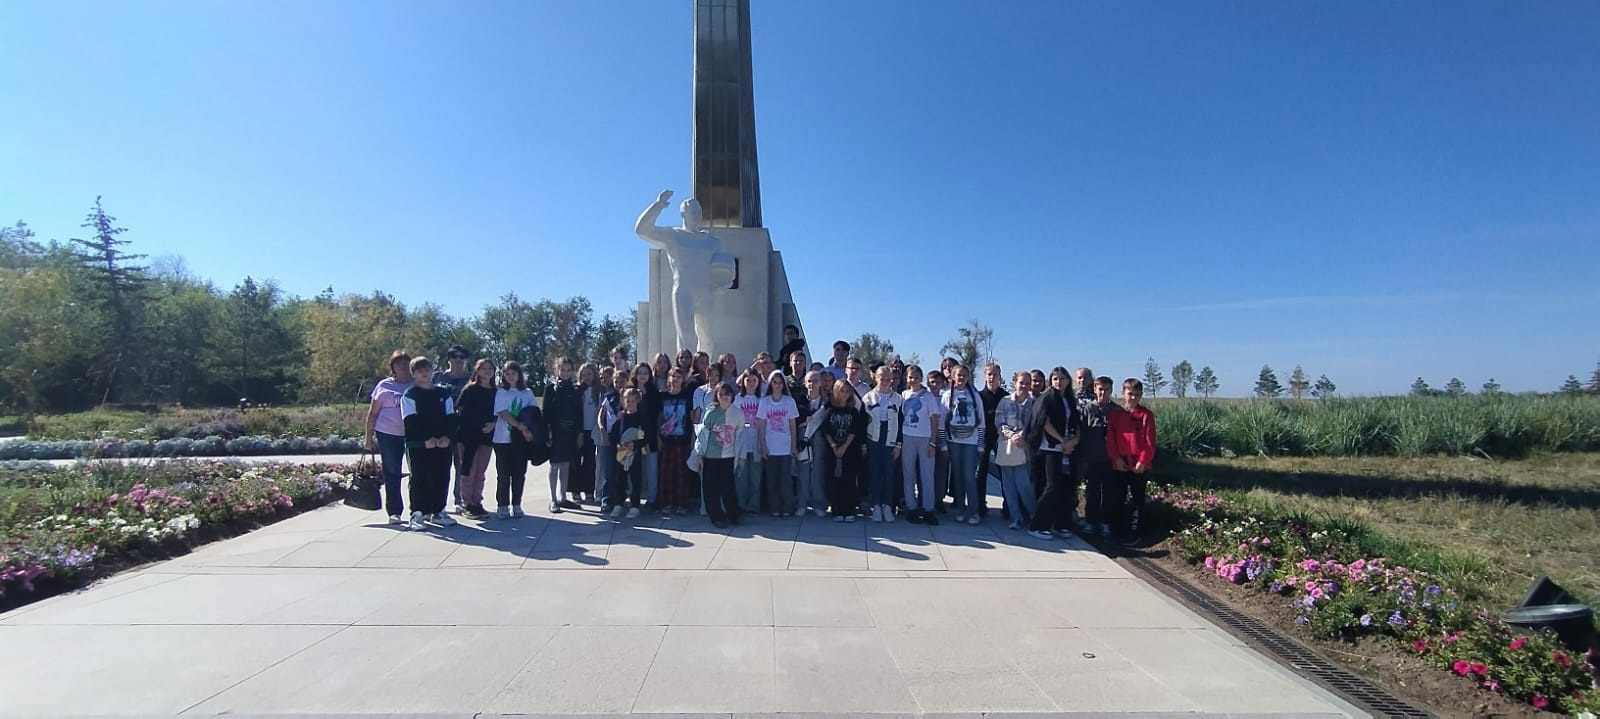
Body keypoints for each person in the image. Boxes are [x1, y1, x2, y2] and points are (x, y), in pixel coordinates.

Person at [400, 356, 457, 531]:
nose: (424, 373)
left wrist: (447, 437)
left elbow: (451, 418)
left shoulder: (443, 393)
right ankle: (418, 514)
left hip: (442, 444)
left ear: (433, 371)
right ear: (414, 374)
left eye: (427, 369)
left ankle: (438, 511)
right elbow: (410, 421)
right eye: (419, 370)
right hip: (418, 445)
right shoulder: (410, 395)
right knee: (419, 478)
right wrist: (426, 440)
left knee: (441, 475)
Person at [1028, 367, 1081, 539]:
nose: (1059, 382)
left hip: (1066, 450)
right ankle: (1037, 525)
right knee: (1051, 486)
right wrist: (1061, 441)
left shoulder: (1069, 400)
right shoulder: (1047, 398)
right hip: (1049, 448)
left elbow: (1076, 425)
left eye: (1062, 378)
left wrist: (1073, 442)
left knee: (1065, 487)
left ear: (1068, 380)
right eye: (1055, 378)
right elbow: (1045, 423)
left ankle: (1061, 524)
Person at [364, 351, 413, 524]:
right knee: (392, 472)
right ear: (393, 367)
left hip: (413, 434)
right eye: (398, 363)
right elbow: (373, 413)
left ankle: (418, 509)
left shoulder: (416, 385)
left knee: (417, 472)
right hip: (388, 434)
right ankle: (394, 511)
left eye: (406, 363)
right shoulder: (384, 386)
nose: (402, 366)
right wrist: (368, 438)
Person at [1107, 377, 1157, 540]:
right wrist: (1116, 459)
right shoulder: (1116, 415)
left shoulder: (1146, 415)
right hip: (1120, 463)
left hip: (1138, 465)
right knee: (1117, 498)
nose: (1133, 397)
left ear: (1141, 395)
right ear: (1123, 394)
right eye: (1130, 394)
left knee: (1137, 500)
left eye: (1137, 394)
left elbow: (1150, 441)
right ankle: (1117, 530)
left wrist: (1143, 461)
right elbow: (1111, 439)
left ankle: (1136, 533)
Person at [942, 364, 986, 525]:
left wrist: (981, 444)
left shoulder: (974, 396)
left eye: (964, 375)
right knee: (958, 476)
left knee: (969, 476)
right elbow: (942, 421)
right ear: (953, 377)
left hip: (971, 441)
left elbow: (981, 422)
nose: (961, 378)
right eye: (958, 375)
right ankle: (960, 508)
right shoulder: (947, 395)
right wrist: (943, 443)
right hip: (953, 441)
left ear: (968, 378)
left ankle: (973, 510)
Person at [898, 365, 942, 525]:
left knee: (927, 475)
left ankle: (928, 509)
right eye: (910, 377)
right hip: (907, 437)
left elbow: (935, 419)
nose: (913, 380)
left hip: (925, 438)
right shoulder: (904, 394)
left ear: (921, 378)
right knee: (908, 474)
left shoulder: (928, 397)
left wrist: (933, 441)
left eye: (916, 377)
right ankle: (911, 508)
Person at [493, 361, 537, 518]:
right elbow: (503, 413)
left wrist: (528, 429)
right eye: (507, 373)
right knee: (503, 475)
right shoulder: (501, 392)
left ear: (519, 375)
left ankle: (517, 504)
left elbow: (533, 413)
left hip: (521, 440)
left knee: (519, 474)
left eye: (513, 373)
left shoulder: (527, 393)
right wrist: (519, 426)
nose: (510, 376)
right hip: (502, 439)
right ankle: (502, 505)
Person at [454, 359, 498, 519]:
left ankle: (477, 501)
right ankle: (467, 503)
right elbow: (459, 411)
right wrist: (477, 424)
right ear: (477, 371)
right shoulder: (470, 389)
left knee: (481, 471)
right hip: (468, 436)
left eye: (490, 368)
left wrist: (492, 425)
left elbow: (499, 413)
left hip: (486, 436)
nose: (487, 371)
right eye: (483, 368)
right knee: (468, 470)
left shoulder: (496, 391)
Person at [433, 345, 474, 513]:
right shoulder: (437, 377)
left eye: (462, 357)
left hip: (463, 427)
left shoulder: (471, 378)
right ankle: (436, 503)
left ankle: (460, 499)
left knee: (462, 465)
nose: (458, 360)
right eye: (455, 356)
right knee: (439, 467)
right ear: (449, 358)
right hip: (440, 427)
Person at [1074, 369, 1114, 537]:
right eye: (1100, 389)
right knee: (1092, 492)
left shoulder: (1116, 411)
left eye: (1106, 389)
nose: (1102, 392)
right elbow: (1080, 432)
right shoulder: (1088, 409)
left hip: (1111, 458)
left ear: (1111, 391)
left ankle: (1106, 523)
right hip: (1091, 457)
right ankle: (1091, 521)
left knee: (1109, 493)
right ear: (1095, 389)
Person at [862, 365, 904, 523]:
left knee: (889, 473)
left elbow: (901, 422)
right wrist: (864, 444)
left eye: (888, 379)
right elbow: (863, 422)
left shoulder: (898, 398)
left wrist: (898, 445)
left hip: (891, 439)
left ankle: (887, 505)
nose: (885, 381)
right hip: (873, 439)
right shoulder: (868, 398)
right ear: (875, 378)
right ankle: (876, 506)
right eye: (882, 378)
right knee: (875, 473)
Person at [995, 371, 1036, 530]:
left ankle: (1033, 515)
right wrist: (1011, 435)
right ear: (1015, 383)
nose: (1024, 386)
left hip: (1024, 449)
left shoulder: (1034, 403)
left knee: (1024, 485)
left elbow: (1034, 423)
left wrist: (1022, 435)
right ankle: (1016, 517)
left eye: (1027, 383)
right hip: (1007, 447)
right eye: (1021, 382)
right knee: (1008, 486)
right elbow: (999, 422)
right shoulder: (1005, 402)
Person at [820, 379, 864, 522]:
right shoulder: (829, 408)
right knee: (834, 480)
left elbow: (854, 430)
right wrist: (834, 446)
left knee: (849, 480)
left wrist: (844, 447)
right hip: (832, 451)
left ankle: (849, 510)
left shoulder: (853, 411)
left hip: (850, 451)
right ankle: (837, 509)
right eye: (841, 390)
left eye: (847, 391)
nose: (844, 394)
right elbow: (825, 429)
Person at [698, 383, 741, 528]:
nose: (724, 397)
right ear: (716, 396)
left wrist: (738, 456)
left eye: (727, 394)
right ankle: (716, 516)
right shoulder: (711, 412)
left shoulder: (737, 413)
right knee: (711, 489)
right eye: (721, 394)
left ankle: (733, 514)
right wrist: (700, 455)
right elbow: (702, 435)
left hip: (728, 456)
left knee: (728, 487)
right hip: (710, 457)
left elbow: (740, 435)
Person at [543, 357, 583, 514]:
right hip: (555, 432)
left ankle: (562, 497)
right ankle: (553, 499)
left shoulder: (574, 390)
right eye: (562, 369)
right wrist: (548, 433)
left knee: (566, 465)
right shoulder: (550, 388)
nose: (565, 373)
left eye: (568, 370)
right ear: (556, 370)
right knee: (554, 466)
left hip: (570, 432)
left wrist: (579, 433)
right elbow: (545, 413)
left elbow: (578, 413)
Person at [757, 369, 799, 517]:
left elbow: (793, 426)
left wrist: (793, 446)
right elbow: (761, 426)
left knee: (785, 480)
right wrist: (763, 446)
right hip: (770, 447)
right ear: (770, 383)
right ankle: (774, 508)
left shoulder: (789, 402)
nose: (777, 385)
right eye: (774, 382)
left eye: (780, 382)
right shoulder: (764, 401)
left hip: (785, 447)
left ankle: (787, 507)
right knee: (771, 480)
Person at [656, 367, 695, 515]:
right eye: (673, 376)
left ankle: (682, 503)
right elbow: (658, 418)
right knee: (666, 472)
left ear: (683, 379)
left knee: (682, 473)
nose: (676, 379)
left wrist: (692, 439)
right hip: (667, 439)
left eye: (679, 376)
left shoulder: (687, 396)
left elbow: (691, 419)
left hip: (683, 439)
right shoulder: (662, 396)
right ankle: (667, 502)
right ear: (668, 378)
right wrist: (658, 437)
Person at [610, 388, 649, 518]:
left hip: (635, 454)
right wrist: (619, 443)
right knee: (619, 479)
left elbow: (645, 436)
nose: (630, 403)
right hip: (621, 453)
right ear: (623, 401)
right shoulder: (620, 417)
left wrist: (635, 445)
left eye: (633, 401)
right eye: (627, 401)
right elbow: (614, 434)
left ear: (638, 401)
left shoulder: (642, 417)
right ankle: (618, 504)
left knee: (635, 479)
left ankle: (635, 505)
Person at [795, 369, 829, 517]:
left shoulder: (827, 402)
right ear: (805, 382)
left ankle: (819, 504)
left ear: (820, 383)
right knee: (803, 470)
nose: (812, 384)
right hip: (803, 439)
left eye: (815, 381)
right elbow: (794, 420)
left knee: (818, 471)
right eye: (809, 381)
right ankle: (802, 504)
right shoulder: (799, 401)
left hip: (820, 439)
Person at [732, 369, 765, 513]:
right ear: (743, 382)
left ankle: (754, 506)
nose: (751, 383)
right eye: (748, 380)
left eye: (754, 380)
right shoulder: (738, 399)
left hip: (757, 442)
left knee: (756, 477)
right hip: (741, 443)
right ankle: (740, 504)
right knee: (741, 477)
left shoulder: (762, 399)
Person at [977, 363, 1008, 520]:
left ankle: (1008, 506)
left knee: (1005, 473)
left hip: (1002, 439)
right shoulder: (979, 396)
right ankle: (980, 505)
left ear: (1000, 376)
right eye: (989, 374)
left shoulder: (1006, 397)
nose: (992, 377)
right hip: (984, 437)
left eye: (995, 374)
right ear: (985, 376)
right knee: (980, 472)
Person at [632, 363, 663, 510]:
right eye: (640, 373)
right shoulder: (630, 392)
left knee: (651, 468)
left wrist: (657, 434)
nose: (643, 376)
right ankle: (634, 498)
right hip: (633, 436)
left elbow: (657, 416)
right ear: (635, 375)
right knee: (635, 468)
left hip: (650, 435)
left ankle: (652, 499)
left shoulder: (654, 393)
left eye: (646, 373)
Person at [594, 367, 622, 515]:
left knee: (620, 471)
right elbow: (600, 415)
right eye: (616, 381)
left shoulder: (628, 395)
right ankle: (606, 500)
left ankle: (619, 499)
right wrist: (602, 430)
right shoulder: (608, 396)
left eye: (621, 381)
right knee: (608, 470)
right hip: (608, 437)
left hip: (623, 438)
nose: (618, 383)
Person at [574, 363, 602, 505]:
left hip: (594, 431)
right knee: (577, 462)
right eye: (584, 375)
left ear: (594, 375)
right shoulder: (577, 391)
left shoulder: (599, 390)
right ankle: (576, 491)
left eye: (589, 374)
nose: (587, 377)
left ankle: (589, 491)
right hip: (580, 431)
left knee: (590, 463)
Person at [926, 369, 951, 514]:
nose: (935, 385)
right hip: (927, 435)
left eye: (938, 382)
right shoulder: (925, 397)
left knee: (941, 470)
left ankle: (939, 499)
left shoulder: (945, 398)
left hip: (942, 437)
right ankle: (926, 498)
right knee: (927, 470)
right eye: (932, 382)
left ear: (942, 383)